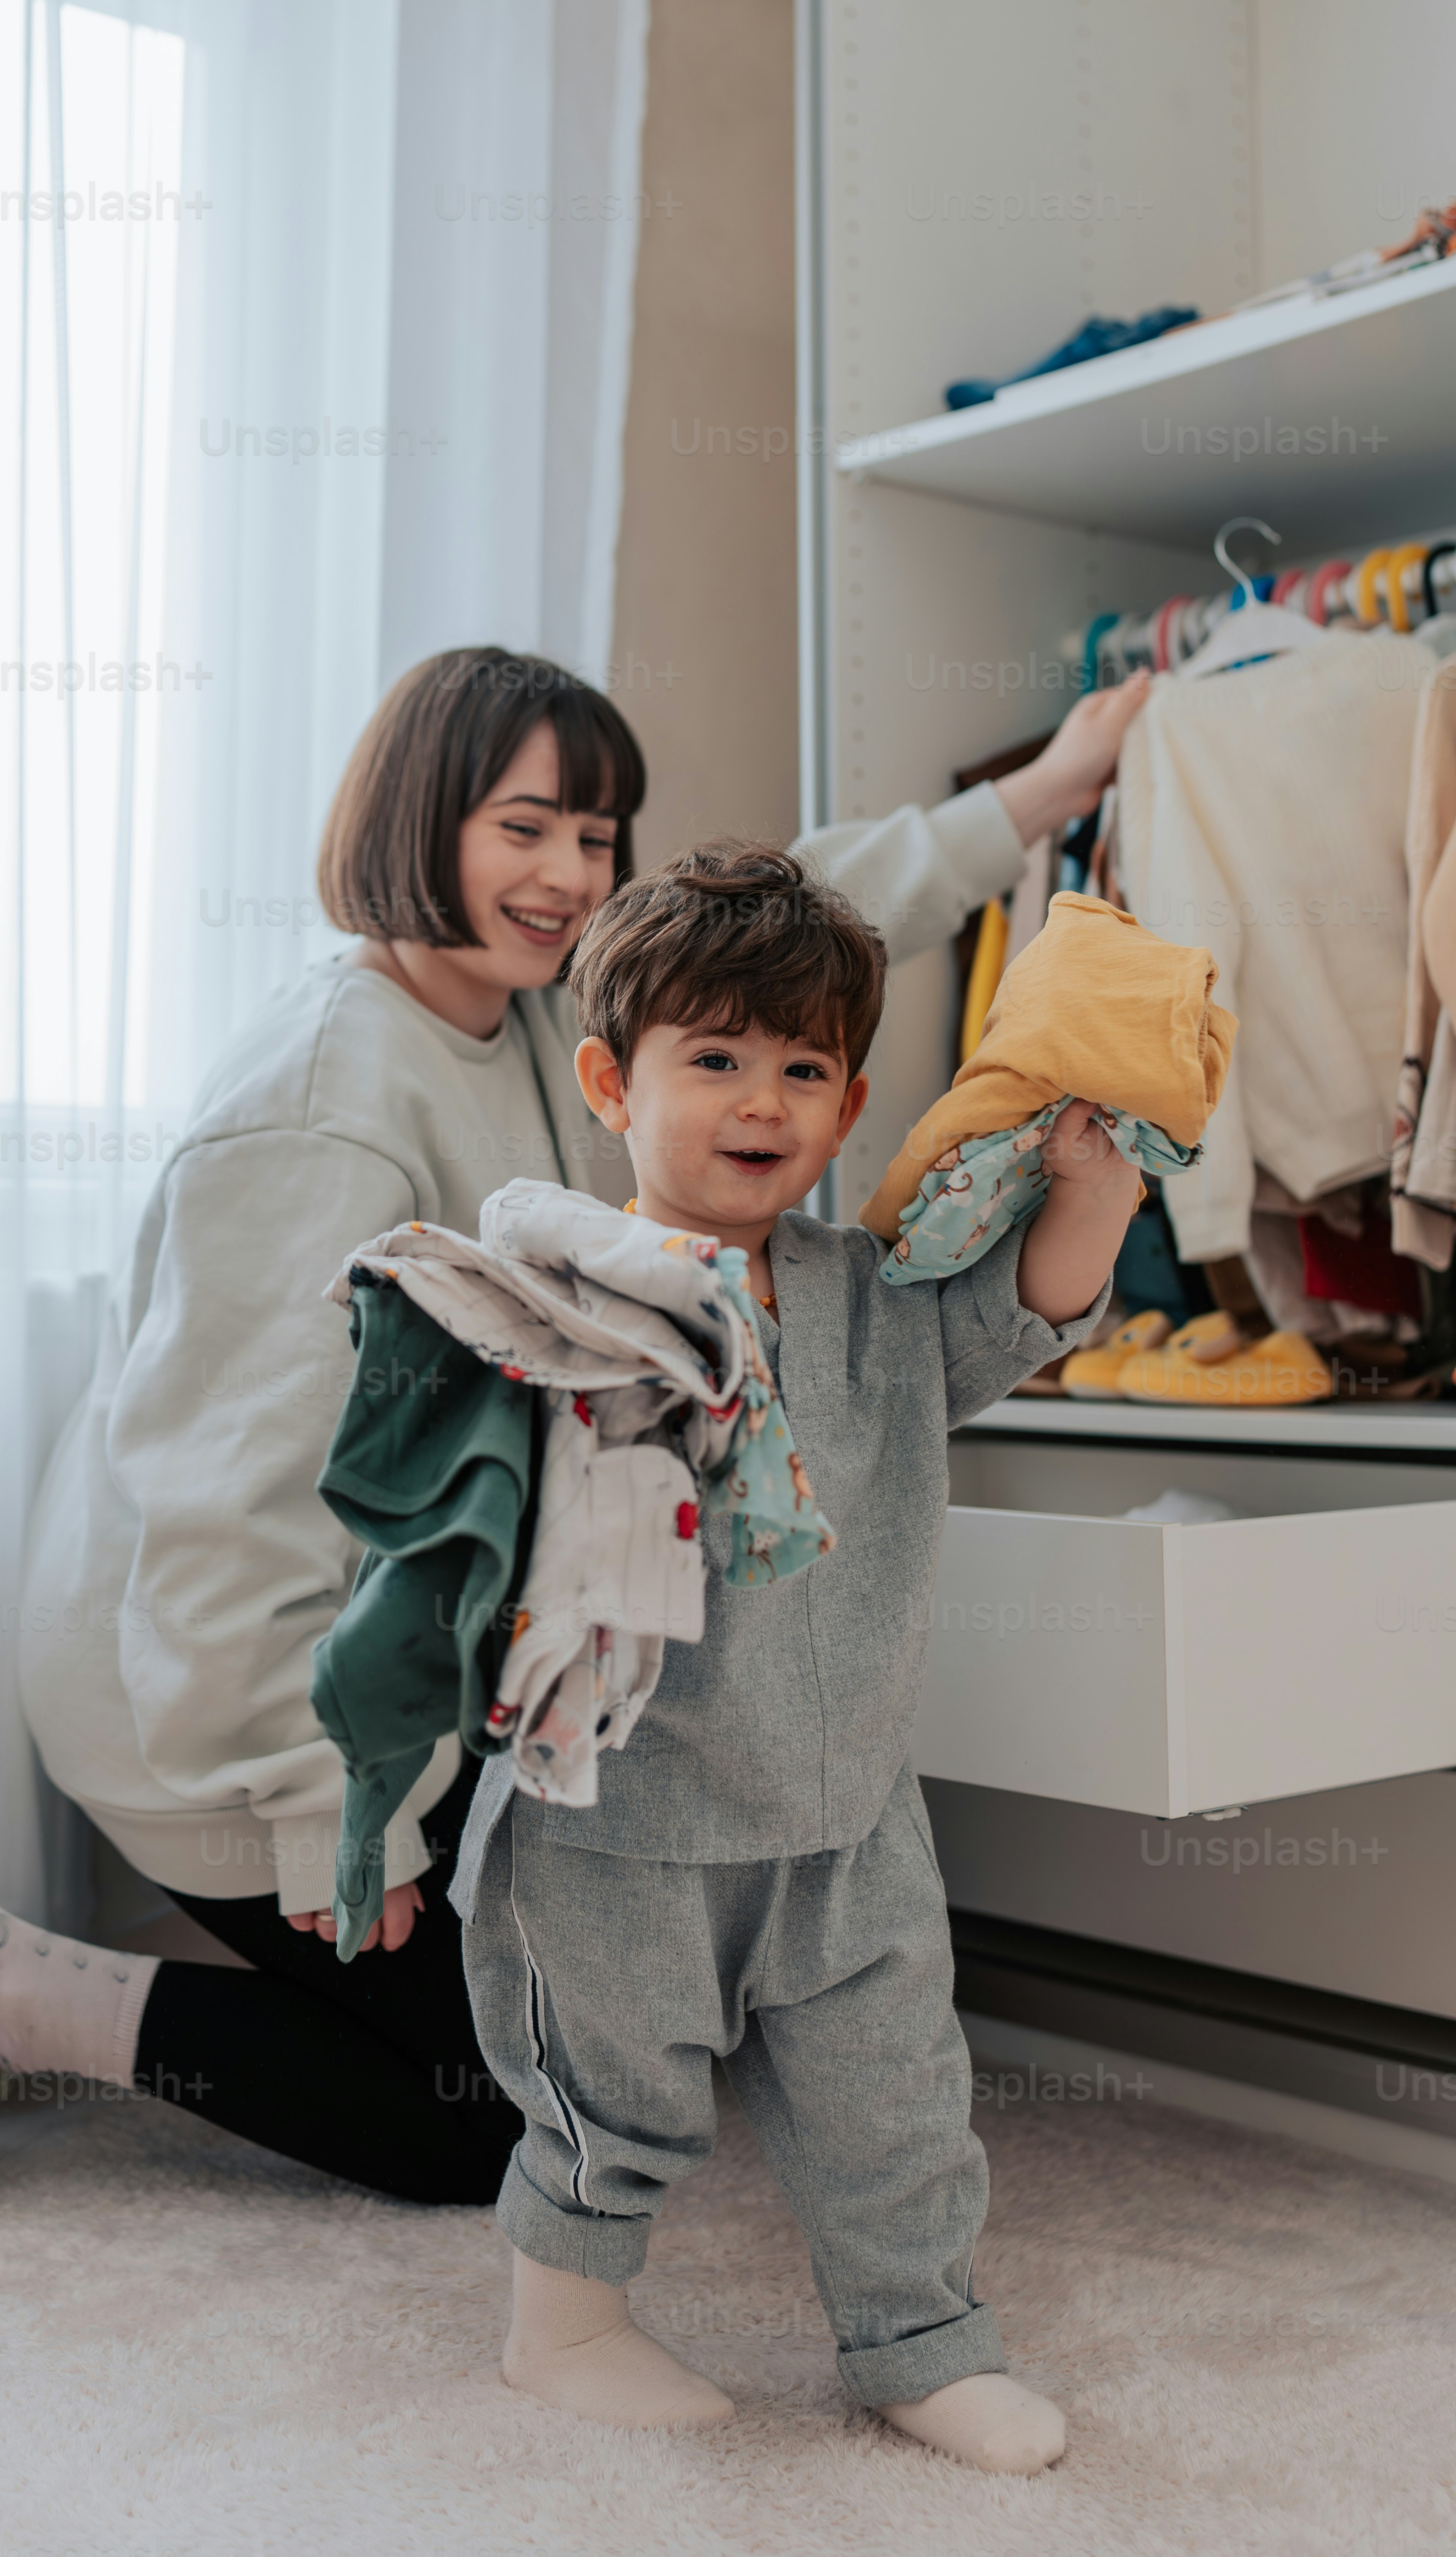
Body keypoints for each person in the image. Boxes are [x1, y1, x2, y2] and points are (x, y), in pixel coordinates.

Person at [0, 646, 1149, 2236]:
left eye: (596, 835)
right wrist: (325, 1807)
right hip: (214, 1690)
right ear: (418, 816)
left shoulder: (525, 1012)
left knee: (607, 2022)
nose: (569, 875)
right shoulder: (323, 1105)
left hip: (394, 1659)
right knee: (494, 2112)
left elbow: (784, 922)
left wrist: (1040, 797)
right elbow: (227, 1500)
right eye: (525, 828)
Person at [457, 843, 1142, 2473]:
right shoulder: (572, 1296)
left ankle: (918, 2341)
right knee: (608, 2097)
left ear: (845, 1111)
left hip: (846, 1820)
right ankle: (561, 2327)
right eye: (714, 1061)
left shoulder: (872, 1299)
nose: (760, 1101)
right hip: (615, 1826)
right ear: (614, 1081)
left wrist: (1093, 1198)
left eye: (801, 1069)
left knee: (895, 2100)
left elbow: (1018, 1320)